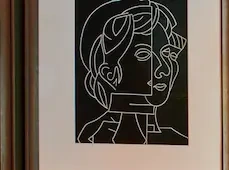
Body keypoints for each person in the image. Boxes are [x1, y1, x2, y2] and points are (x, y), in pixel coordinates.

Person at [78, 0, 187, 145]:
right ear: (109, 73)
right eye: (144, 55)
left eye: (167, 53)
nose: (164, 70)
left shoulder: (176, 140)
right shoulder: (92, 137)